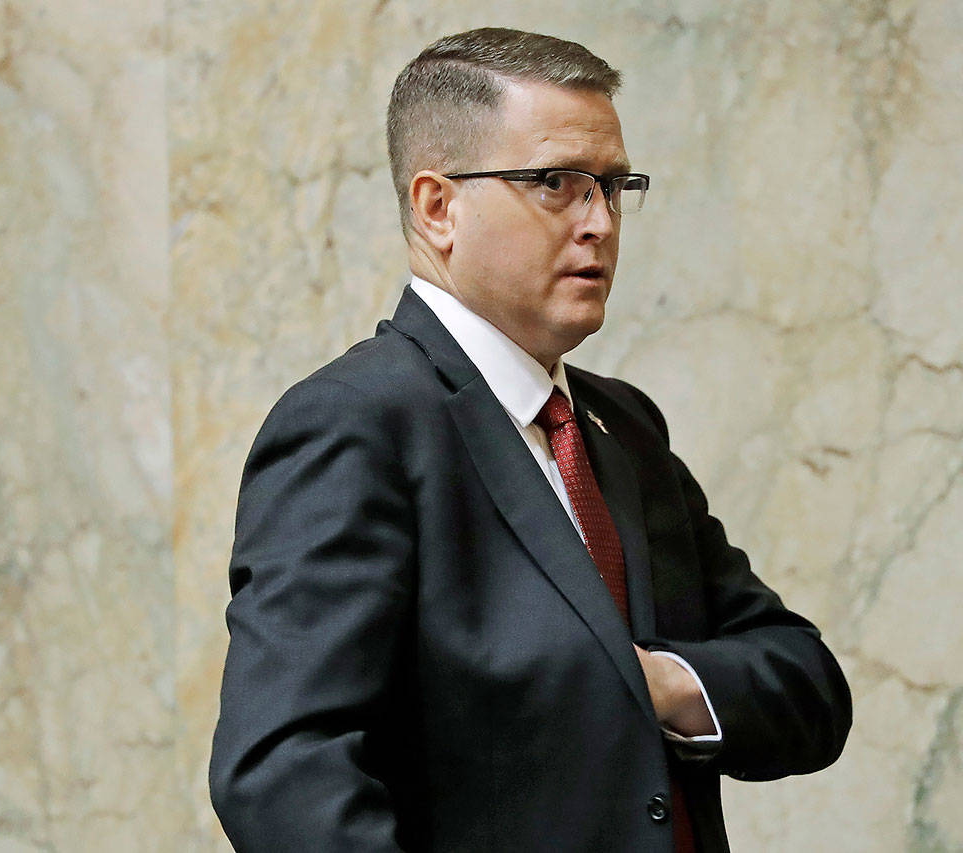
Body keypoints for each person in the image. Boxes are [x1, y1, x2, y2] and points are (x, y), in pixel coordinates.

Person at [209, 27, 851, 853]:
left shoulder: (624, 429)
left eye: (614, 187)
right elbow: (281, 772)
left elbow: (806, 684)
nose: (600, 222)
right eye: (556, 183)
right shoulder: (354, 423)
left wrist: (657, 684)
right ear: (438, 207)